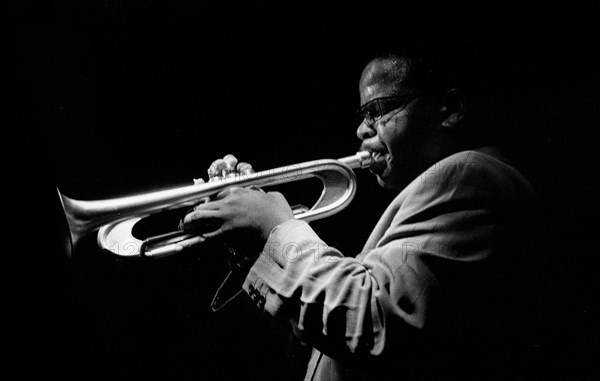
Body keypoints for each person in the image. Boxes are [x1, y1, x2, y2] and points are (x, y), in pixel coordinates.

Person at [182, 47, 541, 380]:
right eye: (361, 114)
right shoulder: (427, 205)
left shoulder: (472, 176)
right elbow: (320, 349)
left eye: (379, 110)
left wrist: (276, 229)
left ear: (449, 109)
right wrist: (252, 247)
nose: (361, 129)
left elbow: (371, 321)